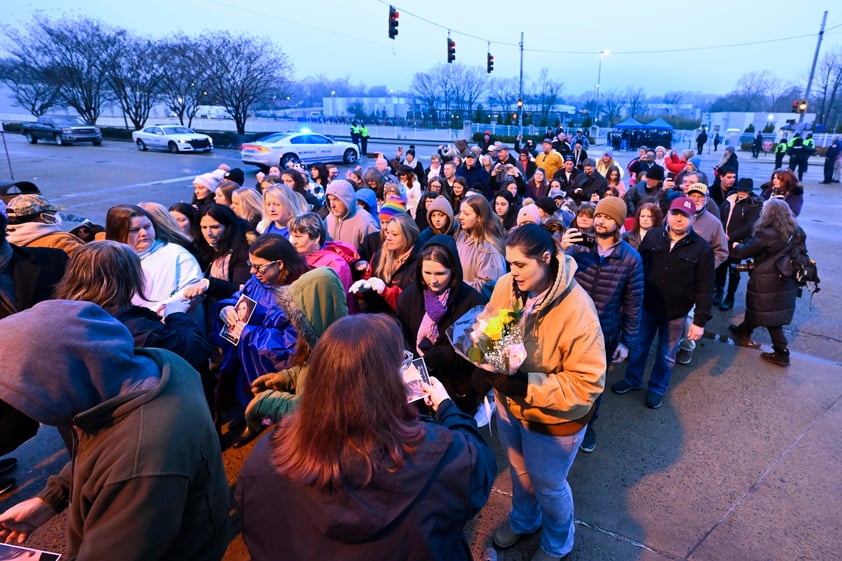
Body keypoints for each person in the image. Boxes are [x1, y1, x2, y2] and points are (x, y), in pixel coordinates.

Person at [236, 314, 495, 561]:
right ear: (387, 383)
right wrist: (447, 408)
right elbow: (479, 466)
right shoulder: (434, 452)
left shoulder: (265, 457)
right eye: (400, 365)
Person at [0, 300, 229, 561]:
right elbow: (102, 450)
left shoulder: (141, 459)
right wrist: (51, 499)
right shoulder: (159, 365)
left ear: (58, 382)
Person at [477, 223, 605, 561]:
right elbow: (494, 328)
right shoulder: (507, 286)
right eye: (509, 264)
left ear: (546, 258)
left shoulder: (579, 310)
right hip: (509, 406)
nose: (512, 272)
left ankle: (558, 542)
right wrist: (482, 349)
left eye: (520, 265)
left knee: (548, 486)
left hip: (554, 421)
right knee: (521, 474)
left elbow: (586, 385)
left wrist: (526, 385)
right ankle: (524, 520)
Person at [54, 240, 213, 408]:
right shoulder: (132, 326)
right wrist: (176, 315)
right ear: (126, 278)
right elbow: (195, 352)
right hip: (158, 414)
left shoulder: (69, 314)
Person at [611, 197, 714, 410]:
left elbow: (705, 287)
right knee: (639, 347)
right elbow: (638, 267)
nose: (678, 218)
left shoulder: (702, 249)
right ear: (667, 214)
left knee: (667, 354)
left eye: (684, 215)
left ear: (693, 219)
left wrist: (700, 321)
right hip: (647, 306)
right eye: (675, 213)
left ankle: (657, 388)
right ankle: (632, 380)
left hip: (676, 312)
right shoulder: (654, 235)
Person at [562, 198, 643, 454]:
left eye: (608, 217)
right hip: (569, 328)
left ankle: (587, 426)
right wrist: (562, 250)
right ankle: (561, 422)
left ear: (618, 222)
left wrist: (627, 342)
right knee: (562, 377)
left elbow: (633, 303)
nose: (600, 221)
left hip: (603, 335)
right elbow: (555, 280)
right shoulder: (579, 247)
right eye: (598, 216)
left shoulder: (631, 259)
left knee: (593, 387)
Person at [0, 210, 68, 479]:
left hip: (57, 368)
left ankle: (84, 479)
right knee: (12, 429)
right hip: (6, 378)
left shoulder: (51, 261)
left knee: (77, 426)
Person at [215, 234, 309, 411]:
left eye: (258, 267)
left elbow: (293, 347)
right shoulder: (258, 281)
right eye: (251, 265)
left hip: (276, 373)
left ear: (279, 264)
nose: (252, 272)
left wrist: (249, 333)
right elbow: (241, 298)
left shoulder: (300, 292)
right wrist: (226, 308)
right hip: (248, 361)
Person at [397, 235, 487, 414]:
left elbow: (479, 350)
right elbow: (401, 333)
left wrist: (447, 354)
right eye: (427, 273)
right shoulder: (409, 297)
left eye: (440, 273)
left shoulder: (471, 300)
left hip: (456, 389)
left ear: (453, 270)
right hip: (417, 386)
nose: (433, 280)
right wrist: (410, 355)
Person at [728, 199, 807, 367]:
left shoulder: (767, 233)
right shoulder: (797, 231)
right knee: (759, 306)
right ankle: (744, 330)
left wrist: (736, 245)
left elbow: (746, 251)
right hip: (786, 277)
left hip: (767, 279)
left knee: (770, 315)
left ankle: (781, 352)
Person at [105, 204, 203, 316]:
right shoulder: (110, 260)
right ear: (118, 233)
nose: (144, 233)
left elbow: (190, 290)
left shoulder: (176, 254)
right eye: (135, 230)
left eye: (147, 227)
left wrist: (153, 314)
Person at [351, 213, 419, 314]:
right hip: (376, 318)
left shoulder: (419, 262)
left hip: (401, 324)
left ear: (408, 236)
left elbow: (412, 304)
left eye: (394, 234)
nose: (388, 238)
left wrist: (387, 292)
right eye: (387, 233)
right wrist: (364, 289)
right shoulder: (379, 255)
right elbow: (372, 299)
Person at [715, 179, 763, 311]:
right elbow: (719, 217)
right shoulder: (729, 200)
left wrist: (731, 237)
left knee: (734, 271)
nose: (742, 192)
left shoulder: (754, 205)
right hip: (722, 241)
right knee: (720, 269)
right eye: (740, 189)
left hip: (737, 243)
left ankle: (729, 298)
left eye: (745, 190)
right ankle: (719, 292)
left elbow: (750, 226)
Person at [454, 196, 506, 296]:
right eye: (461, 212)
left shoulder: (488, 249)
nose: (460, 217)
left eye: (466, 214)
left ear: (479, 217)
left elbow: (487, 286)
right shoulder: (461, 237)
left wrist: (455, 286)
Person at [4, 194, 83, 256]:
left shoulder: (5, 242)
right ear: (43, 216)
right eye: (53, 212)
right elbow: (90, 264)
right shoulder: (59, 241)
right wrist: (94, 236)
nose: (56, 215)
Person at [324, 179, 380, 251]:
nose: (332, 205)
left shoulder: (366, 221)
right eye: (330, 200)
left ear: (347, 199)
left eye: (336, 199)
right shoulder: (328, 219)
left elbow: (376, 253)